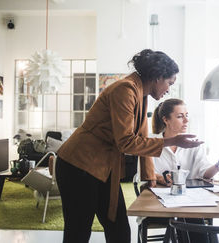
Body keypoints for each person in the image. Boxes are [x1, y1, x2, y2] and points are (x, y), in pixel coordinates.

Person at [55, 49, 203, 243]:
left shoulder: (140, 94)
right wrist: (174, 140)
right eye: (169, 83)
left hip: (102, 168)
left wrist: (150, 177)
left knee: (120, 231)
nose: (169, 89)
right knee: (79, 231)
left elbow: (142, 135)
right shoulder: (125, 89)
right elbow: (125, 141)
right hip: (78, 165)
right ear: (157, 77)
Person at [150, 98, 219, 185]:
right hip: (156, 196)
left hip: (188, 198)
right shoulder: (151, 144)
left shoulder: (194, 144)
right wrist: (159, 178)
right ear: (166, 119)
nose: (186, 120)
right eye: (180, 116)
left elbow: (205, 174)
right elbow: (142, 174)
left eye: (186, 115)